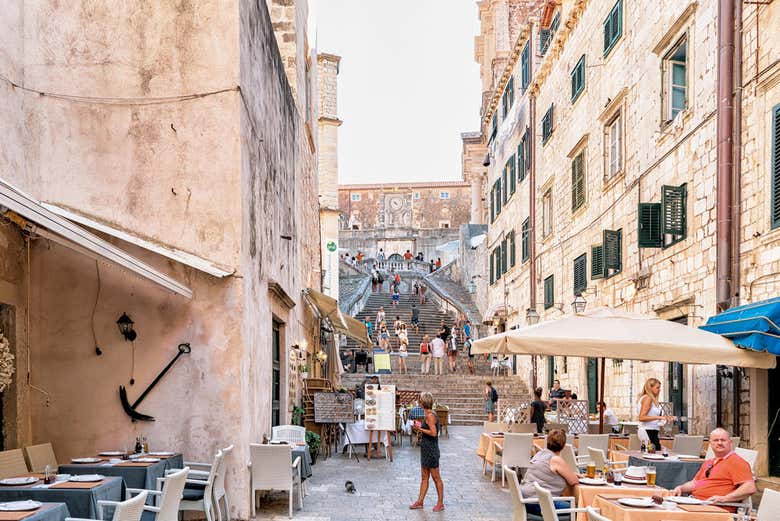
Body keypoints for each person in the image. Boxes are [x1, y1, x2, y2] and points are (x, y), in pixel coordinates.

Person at [672, 428, 755, 510]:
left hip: (716, 508)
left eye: (723, 440)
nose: (719, 443)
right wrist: (680, 488)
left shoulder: (736, 462)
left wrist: (724, 498)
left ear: (730, 443)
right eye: (716, 440)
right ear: (710, 443)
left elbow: (750, 487)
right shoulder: (709, 462)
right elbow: (695, 483)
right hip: (697, 504)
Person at [519, 429, 580, 517]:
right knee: (581, 509)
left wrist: (570, 473)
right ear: (563, 446)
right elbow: (574, 481)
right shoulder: (555, 459)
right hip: (540, 504)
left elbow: (548, 472)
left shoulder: (540, 453)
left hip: (526, 500)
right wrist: (573, 475)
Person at [410, 392, 444, 512]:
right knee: (424, 477)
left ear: (423, 403)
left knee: (436, 478)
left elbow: (434, 433)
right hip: (426, 449)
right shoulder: (429, 415)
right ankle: (420, 501)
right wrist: (420, 428)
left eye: (420, 401)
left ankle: (440, 503)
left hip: (431, 450)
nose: (418, 402)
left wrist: (420, 429)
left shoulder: (430, 416)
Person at [638, 377, 675, 451]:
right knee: (653, 455)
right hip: (648, 431)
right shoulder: (648, 398)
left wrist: (665, 418)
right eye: (657, 387)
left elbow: (651, 417)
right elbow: (641, 417)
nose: (659, 390)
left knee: (657, 452)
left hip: (653, 431)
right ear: (650, 388)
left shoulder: (651, 399)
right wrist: (659, 418)